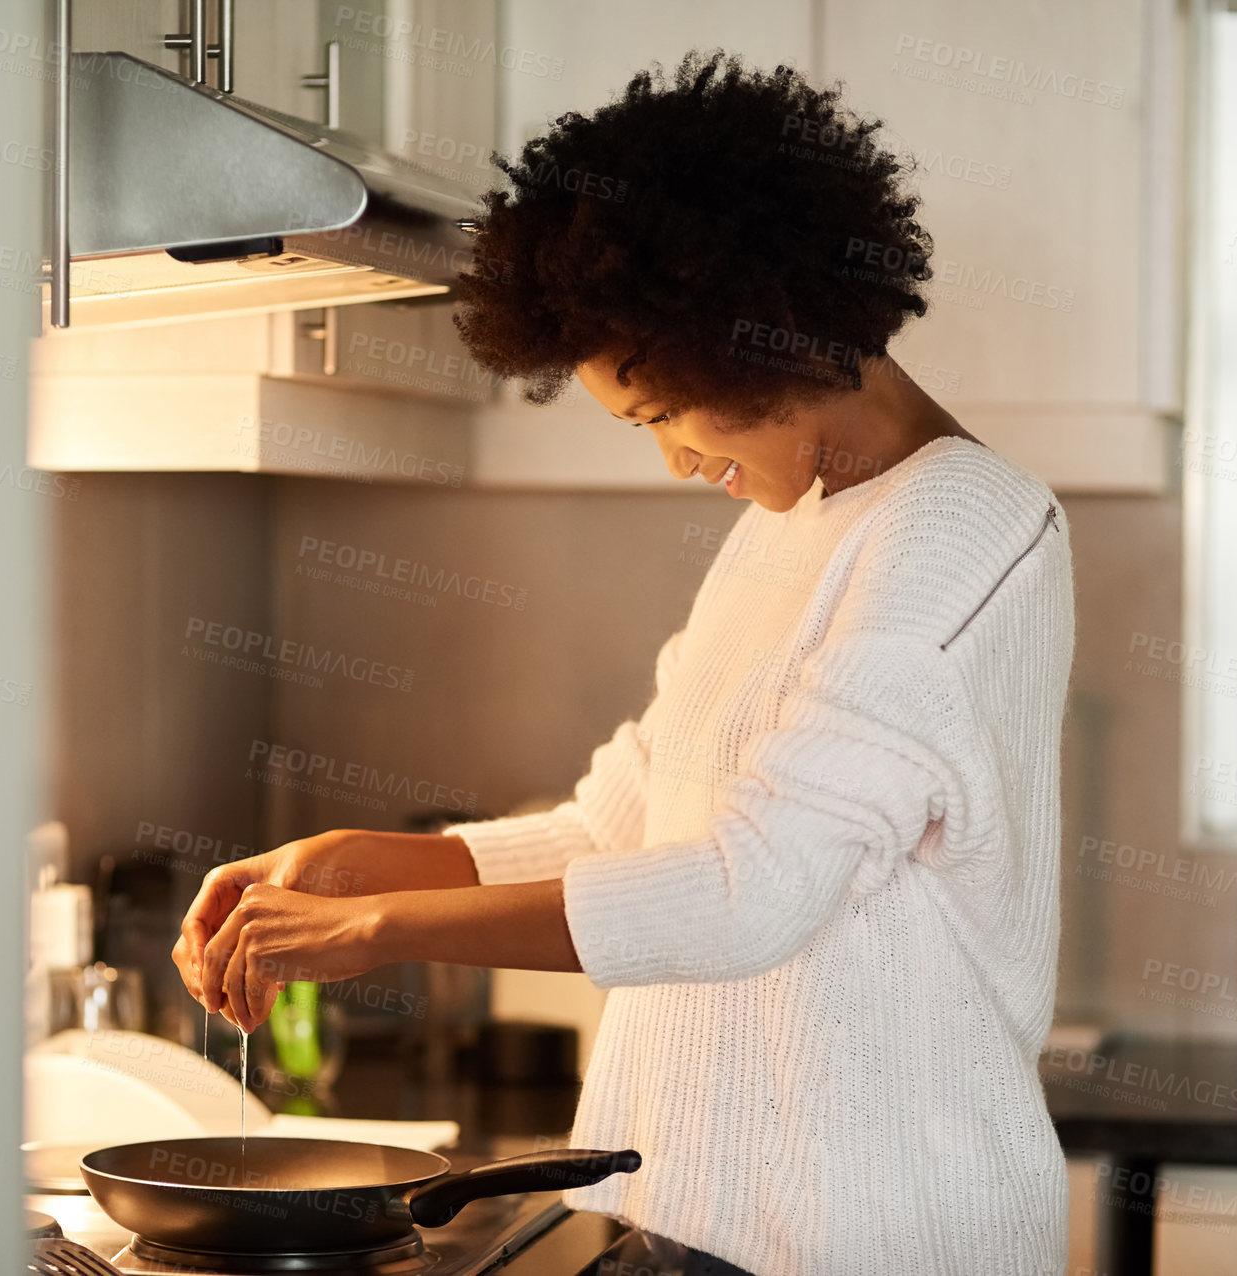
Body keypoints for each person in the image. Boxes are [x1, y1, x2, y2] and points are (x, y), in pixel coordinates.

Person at [173, 49, 1076, 1276]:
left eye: (657, 415)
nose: (671, 462)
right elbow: (630, 819)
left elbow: (756, 889)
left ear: (764, 336)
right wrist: (360, 866)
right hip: (697, 1221)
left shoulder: (963, 534)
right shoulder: (788, 527)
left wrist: (385, 928)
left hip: (871, 1234)